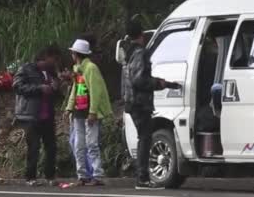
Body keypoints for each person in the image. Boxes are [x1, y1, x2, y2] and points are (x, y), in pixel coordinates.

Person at [122, 19, 180, 190]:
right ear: (141, 35)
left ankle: (142, 178)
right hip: (140, 103)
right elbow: (139, 79)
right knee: (145, 139)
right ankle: (143, 179)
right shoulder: (141, 52)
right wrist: (158, 84)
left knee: (144, 138)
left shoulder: (128, 52)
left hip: (131, 102)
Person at [13, 45, 63, 187]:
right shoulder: (26, 69)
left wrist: (56, 87)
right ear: (46, 56)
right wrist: (39, 88)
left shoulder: (51, 72)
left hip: (47, 115)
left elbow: (56, 93)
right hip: (31, 115)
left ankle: (50, 176)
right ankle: (30, 177)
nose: (56, 62)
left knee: (51, 146)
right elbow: (17, 86)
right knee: (34, 147)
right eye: (54, 58)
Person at [65, 39, 112, 186]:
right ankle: (82, 175)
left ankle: (97, 175)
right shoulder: (78, 69)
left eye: (72, 52)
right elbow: (76, 89)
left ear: (76, 53)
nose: (71, 54)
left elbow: (96, 91)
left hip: (88, 112)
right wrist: (69, 107)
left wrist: (92, 112)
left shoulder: (90, 68)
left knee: (91, 144)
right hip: (79, 111)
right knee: (79, 144)